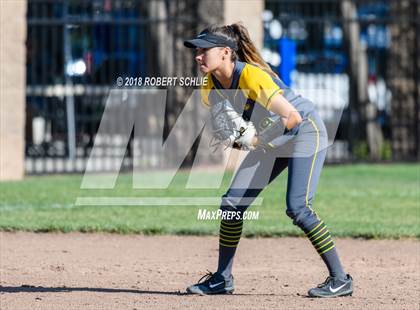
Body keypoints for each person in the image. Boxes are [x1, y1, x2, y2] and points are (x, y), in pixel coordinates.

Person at [183, 22, 353, 298]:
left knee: (298, 208)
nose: (198, 56)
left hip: (304, 130)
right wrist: (238, 135)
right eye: (197, 50)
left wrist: (257, 140)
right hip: (272, 137)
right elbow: (226, 122)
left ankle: (340, 278)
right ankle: (222, 279)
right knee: (231, 204)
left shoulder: (252, 76)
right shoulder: (209, 84)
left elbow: (292, 119)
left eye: (204, 50)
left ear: (226, 52)